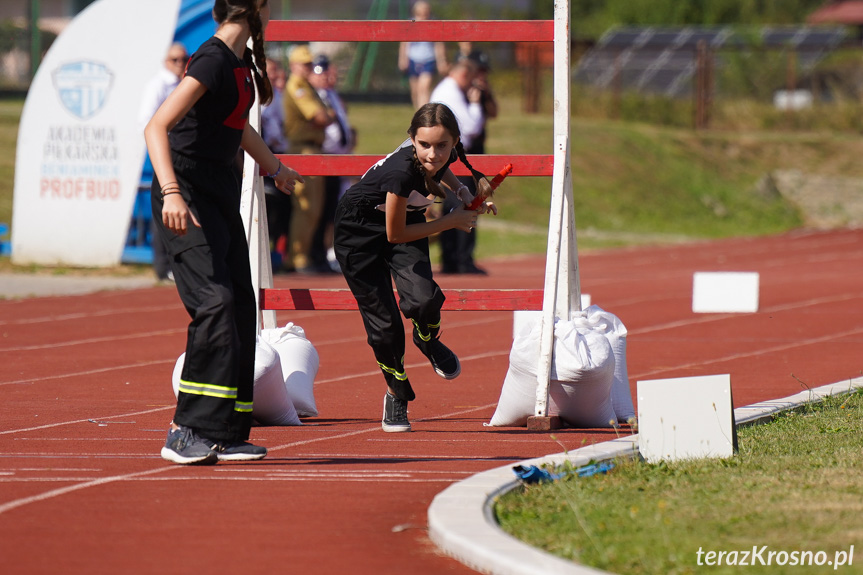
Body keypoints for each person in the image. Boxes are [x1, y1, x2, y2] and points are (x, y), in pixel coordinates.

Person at [144, 0, 303, 465]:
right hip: (185, 190)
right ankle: (183, 430)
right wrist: (172, 192)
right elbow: (157, 127)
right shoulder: (213, 59)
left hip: (218, 190)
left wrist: (276, 169)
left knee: (239, 303)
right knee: (214, 302)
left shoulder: (240, 64)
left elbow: (236, 129)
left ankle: (225, 431)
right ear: (254, 8)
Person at [333, 102, 497, 433]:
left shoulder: (441, 151)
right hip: (358, 234)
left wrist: (464, 192)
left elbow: (442, 167)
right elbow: (395, 235)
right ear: (411, 139)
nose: (433, 154)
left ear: (454, 141)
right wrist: (451, 220)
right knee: (385, 324)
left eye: (442, 145)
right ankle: (396, 393)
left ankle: (427, 338)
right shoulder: (400, 173)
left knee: (422, 299)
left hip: (404, 219)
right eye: (424, 145)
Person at [429, 55, 491, 274]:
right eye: (471, 79)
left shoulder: (446, 90)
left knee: (454, 204)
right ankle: (460, 259)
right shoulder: (451, 92)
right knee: (464, 202)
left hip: (451, 154)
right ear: (464, 75)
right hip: (456, 155)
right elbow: (471, 128)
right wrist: (475, 103)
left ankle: (453, 258)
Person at [138, 42, 189, 282]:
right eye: (175, 60)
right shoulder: (158, 86)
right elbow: (147, 122)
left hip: (183, 154)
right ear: (165, 62)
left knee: (182, 208)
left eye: (183, 59)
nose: (180, 64)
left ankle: (179, 265)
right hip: (166, 154)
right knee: (165, 207)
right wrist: (169, 141)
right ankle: (162, 266)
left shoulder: (184, 85)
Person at [283, 44, 335, 273]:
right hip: (302, 150)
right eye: (304, 64)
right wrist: (324, 117)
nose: (308, 68)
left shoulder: (307, 86)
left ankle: (304, 256)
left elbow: (327, 115)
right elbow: (320, 116)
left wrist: (326, 116)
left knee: (314, 208)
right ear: (293, 66)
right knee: (305, 207)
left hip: (313, 149)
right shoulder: (297, 86)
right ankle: (297, 259)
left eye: (309, 64)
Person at [308, 54, 354, 273]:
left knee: (335, 209)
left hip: (339, 159)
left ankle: (328, 252)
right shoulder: (315, 96)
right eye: (320, 72)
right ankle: (317, 253)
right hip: (324, 158)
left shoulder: (332, 94)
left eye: (326, 71)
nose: (325, 76)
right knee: (322, 209)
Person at [260, 57, 292, 270]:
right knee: (265, 206)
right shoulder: (256, 96)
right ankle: (262, 255)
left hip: (279, 153)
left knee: (282, 207)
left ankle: (276, 254)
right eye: (271, 71)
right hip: (260, 154)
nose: (275, 75)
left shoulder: (277, 96)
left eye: (277, 71)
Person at [398, 1, 448, 109]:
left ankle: (424, 112)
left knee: (423, 88)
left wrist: (441, 61)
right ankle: (418, 114)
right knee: (415, 91)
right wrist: (402, 59)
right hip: (413, 59)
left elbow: (439, 44)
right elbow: (404, 43)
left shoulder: (434, 24)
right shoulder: (410, 23)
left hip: (428, 59)